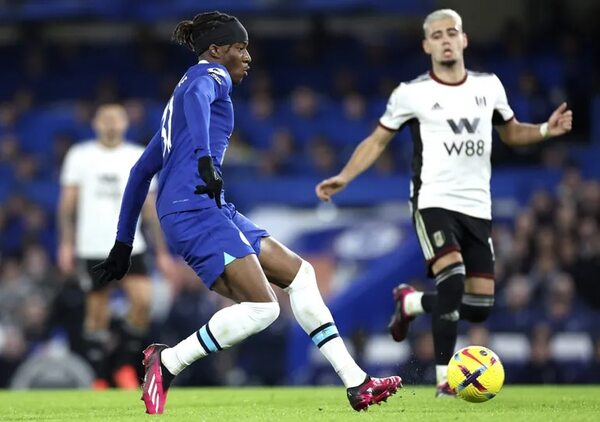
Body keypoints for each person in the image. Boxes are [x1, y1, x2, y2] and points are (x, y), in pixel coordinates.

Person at [91, 11, 401, 415]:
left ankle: (356, 382)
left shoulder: (176, 104)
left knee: (301, 276)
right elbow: (203, 98)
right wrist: (206, 160)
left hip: (205, 207)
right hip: (194, 208)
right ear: (217, 50)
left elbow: (139, 173)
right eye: (240, 47)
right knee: (264, 309)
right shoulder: (210, 76)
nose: (248, 56)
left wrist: (123, 243)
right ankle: (167, 362)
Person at [315, 8, 572, 397]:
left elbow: (512, 133)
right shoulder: (412, 93)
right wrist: (345, 176)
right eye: (437, 35)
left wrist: (543, 129)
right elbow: (376, 141)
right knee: (451, 279)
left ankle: (412, 302)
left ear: (464, 39)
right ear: (426, 45)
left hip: (477, 206)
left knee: (480, 305)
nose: (446, 39)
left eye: (452, 32)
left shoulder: (489, 86)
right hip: (432, 200)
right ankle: (443, 379)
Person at [58, 104, 174, 389]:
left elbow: (149, 208)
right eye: (105, 119)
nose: (110, 124)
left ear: (125, 124)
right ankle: (97, 375)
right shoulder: (80, 156)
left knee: (143, 303)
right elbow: (67, 206)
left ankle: (124, 364)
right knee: (96, 314)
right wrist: (66, 244)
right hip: (93, 246)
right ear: (95, 123)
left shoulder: (137, 155)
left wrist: (161, 252)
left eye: (116, 119)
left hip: (131, 245)